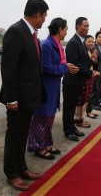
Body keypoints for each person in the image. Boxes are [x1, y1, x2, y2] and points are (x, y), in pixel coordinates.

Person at [0, 0, 49, 191]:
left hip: (29, 97)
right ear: (37, 15)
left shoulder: (31, 33)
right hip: (17, 98)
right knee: (14, 136)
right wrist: (11, 98)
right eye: (44, 16)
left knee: (22, 135)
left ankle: (21, 167)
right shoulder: (16, 31)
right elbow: (8, 69)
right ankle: (11, 173)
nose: (44, 20)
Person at [27, 18, 79, 159]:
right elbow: (45, 67)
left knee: (49, 117)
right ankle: (38, 147)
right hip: (46, 86)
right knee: (42, 117)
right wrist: (65, 67)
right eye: (66, 29)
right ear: (60, 29)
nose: (66, 32)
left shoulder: (56, 44)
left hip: (54, 85)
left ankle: (46, 144)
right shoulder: (47, 45)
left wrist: (65, 67)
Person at [62, 17, 99, 141]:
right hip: (71, 82)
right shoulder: (73, 42)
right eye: (85, 26)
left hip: (78, 81)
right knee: (68, 108)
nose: (88, 28)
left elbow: (85, 61)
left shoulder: (81, 42)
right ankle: (68, 130)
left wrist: (92, 59)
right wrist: (90, 73)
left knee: (72, 107)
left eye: (88, 26)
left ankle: (72, 127)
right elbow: (74, 63)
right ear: (78, 26)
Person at [74, 35, 98, 126]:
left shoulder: (90, 51)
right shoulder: (83, 52)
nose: (91, 43)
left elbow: (93, 65)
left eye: (92, 42)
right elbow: (85, 66)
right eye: (89, 41)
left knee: (85, 100)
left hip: (90, 78)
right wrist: (92, 59)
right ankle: (78, 119)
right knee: (81, 100)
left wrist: (94, 59)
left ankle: (81, 118)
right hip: (84, 78)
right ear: (84, 42)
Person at [92, 31, 101, 111]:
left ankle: (97, 103)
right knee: (95, 89)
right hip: (96, 71)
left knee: (99, 88)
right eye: (100, 37)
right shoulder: (94, 47)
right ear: (96, 38)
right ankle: (93, 104)